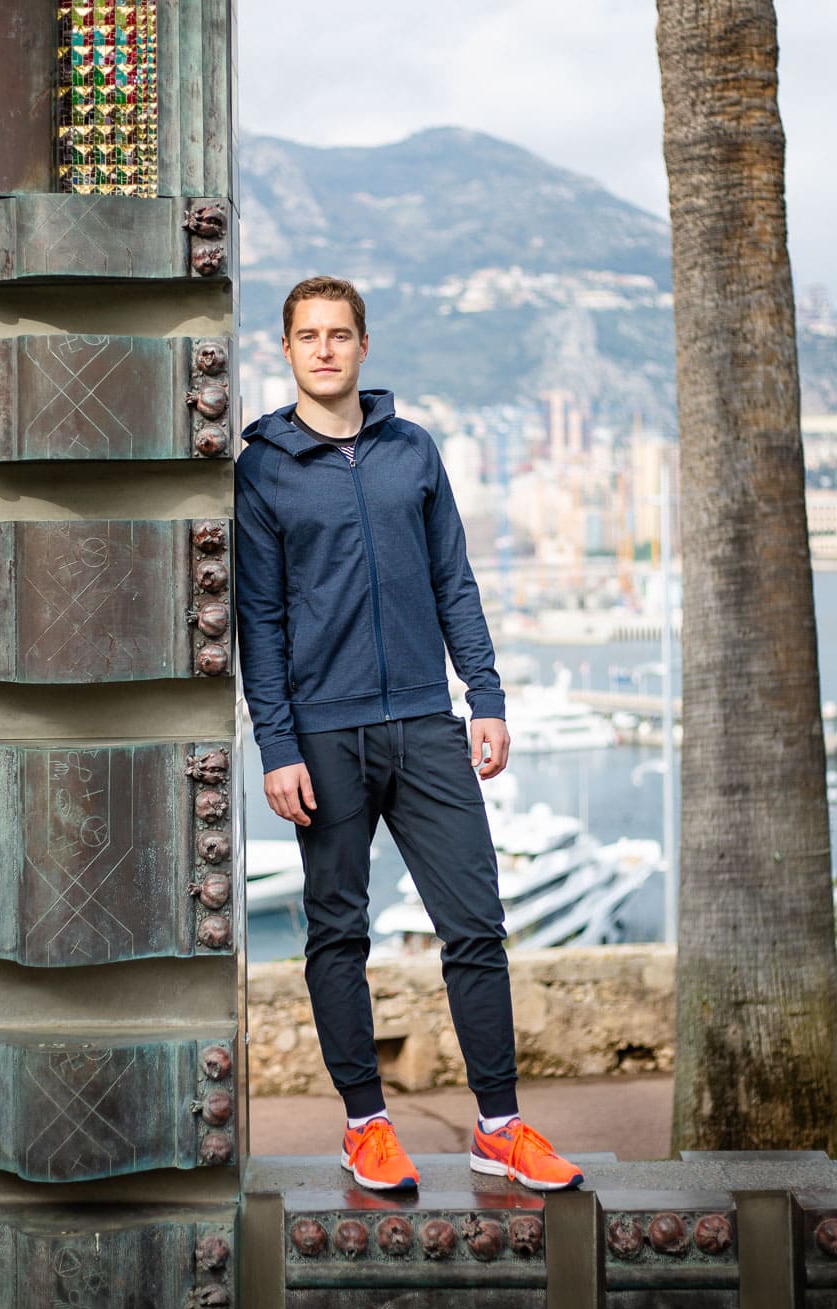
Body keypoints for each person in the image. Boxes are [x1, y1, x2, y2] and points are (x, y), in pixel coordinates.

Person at [235, 275, 582, 1194]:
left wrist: (489, 697)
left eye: (339, 334)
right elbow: (258, 620)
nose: (323, 349)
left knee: (475, 926)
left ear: (362, 345)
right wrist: (277, 745)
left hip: (428, 724)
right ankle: (365, 1125)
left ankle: (499, 1127)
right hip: (326, 735)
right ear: (287, 349)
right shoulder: (263, 467)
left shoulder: (411, 452)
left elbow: (454, 583)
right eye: (307, 335)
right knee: (337, 935)